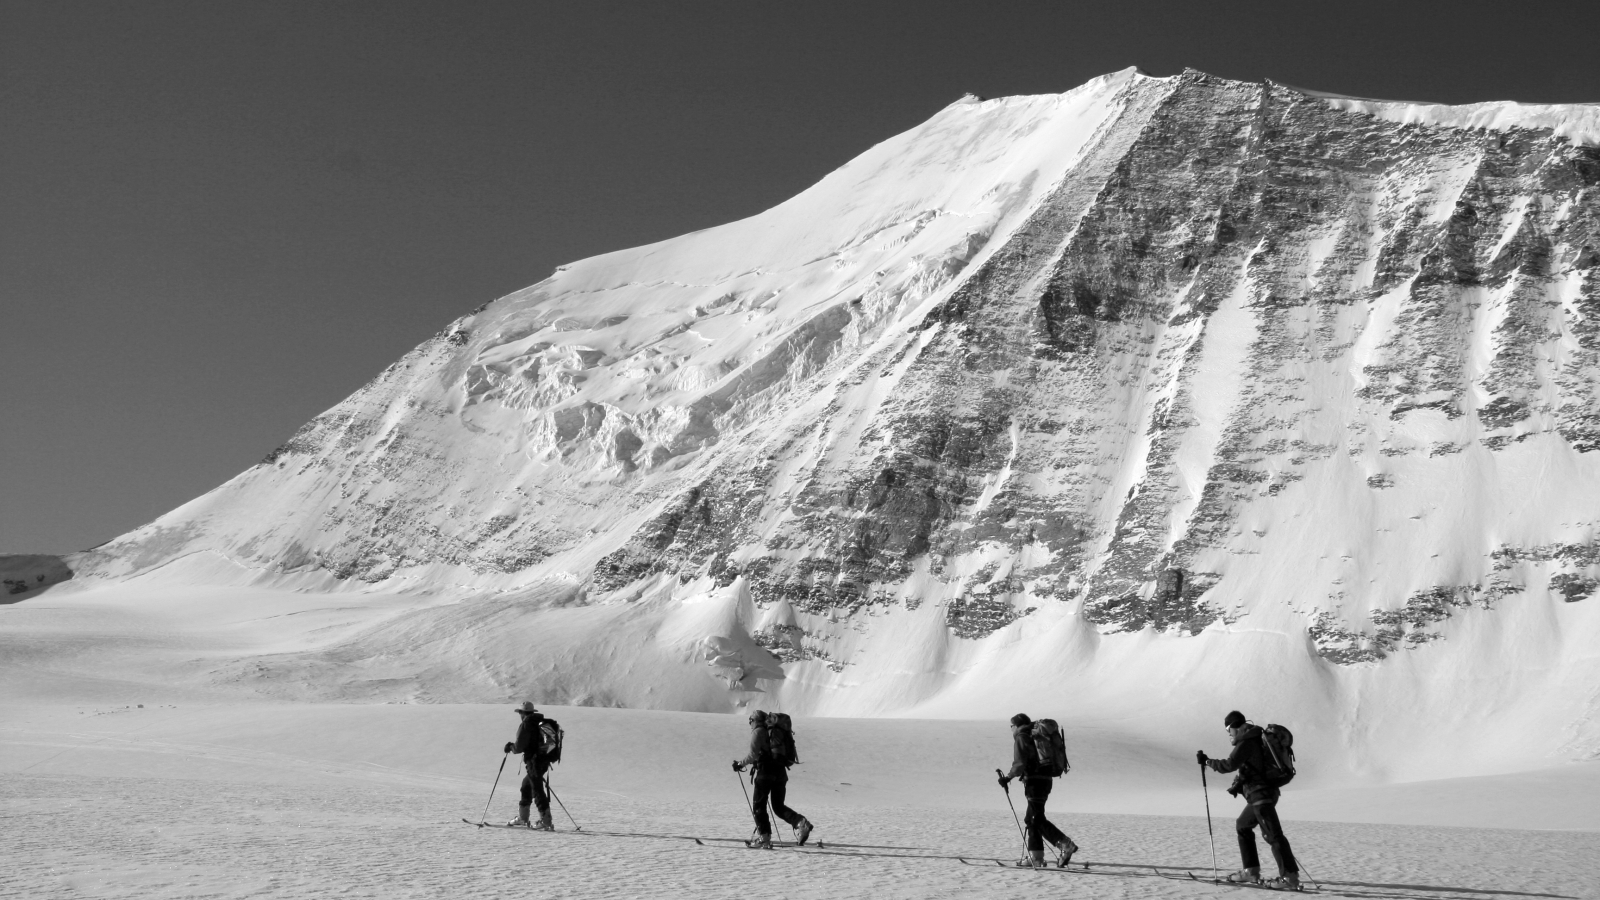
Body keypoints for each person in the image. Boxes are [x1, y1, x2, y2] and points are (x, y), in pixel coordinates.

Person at [1198, 710, 1299, 889]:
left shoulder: (1248, 742)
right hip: (1260, 795)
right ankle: (1250, 871)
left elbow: (1229, 765)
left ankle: (1289, 878)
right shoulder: (1254, 738)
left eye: (1228, 729)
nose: (1229, 734)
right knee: (1243, 825)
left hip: (1261, 796)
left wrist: (1207, 762)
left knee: (1273, 835)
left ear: (1235, 727)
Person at [998, 713, 1077, 868]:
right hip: (1045, 780)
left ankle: (1065, 844)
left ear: (1016, 725)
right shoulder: (1034, 735)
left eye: (1011, 726)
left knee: (1036, 818)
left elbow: (1019, 763)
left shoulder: (1022, 736)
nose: (1011, 729)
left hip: (1034, 781)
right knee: (1031, 819)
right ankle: (1036, 858)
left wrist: (1007, 778)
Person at [731, 709, 813, 849]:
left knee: (759, 806)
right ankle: (801, 823)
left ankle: (764, 837)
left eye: (750, 721)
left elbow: (752, 755)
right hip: (780, 773)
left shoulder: (758, 732)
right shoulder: (772, 732)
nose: (750, 724)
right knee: (778, 806)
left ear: (754, 720)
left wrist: (739, 764)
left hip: (765, 773)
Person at [504, 701, 553, 830]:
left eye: (520, 712)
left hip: (534, 762)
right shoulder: (541, 723)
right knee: (526, 786)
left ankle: (546, 821)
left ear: (522, 713)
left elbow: (519, 746)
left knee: (537, 790)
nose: (520, 715)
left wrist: (510, 747)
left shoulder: (527, 724)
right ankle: (523, 818)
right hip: (544, 761)